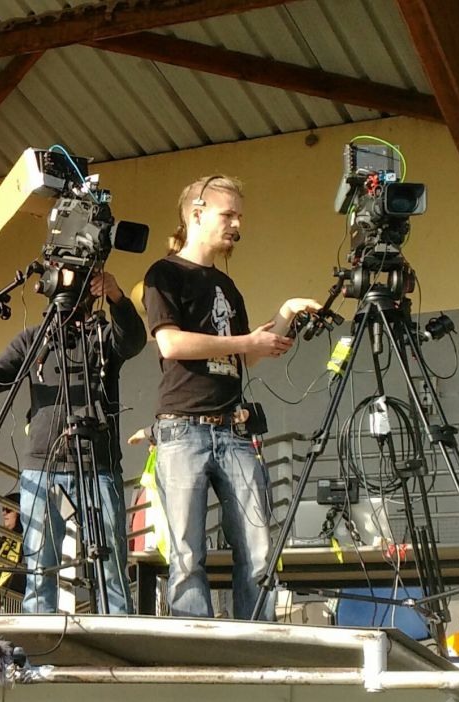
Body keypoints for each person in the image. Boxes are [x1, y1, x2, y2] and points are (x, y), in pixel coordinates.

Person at [142, 174, 318, 620]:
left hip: (234, 431)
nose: (237, 224)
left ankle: (257, 641)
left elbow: (246, 356)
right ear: (196, 214)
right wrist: (246, 342)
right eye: (229, 214)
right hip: (182, 429)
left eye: (239, 215)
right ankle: (195, 647)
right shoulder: (164, 273)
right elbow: (171, 344)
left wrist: (286, 313)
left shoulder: (227, 285)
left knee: (259, 552)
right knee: (186, 556)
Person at [0, 270, 145, 614]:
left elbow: (133, 341)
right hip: (42, 466)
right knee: (40, 568)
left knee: (110, 565)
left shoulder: (101, 335)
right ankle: (41, 636)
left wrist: (116, 297)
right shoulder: (34, 338)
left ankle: (116, 633)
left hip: (97, 463)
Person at [0, 493, 25, 599]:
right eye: (3, 509)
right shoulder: (4, 540)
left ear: (20, 512)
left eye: (8, 509)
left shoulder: (27, 539)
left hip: (13, 599)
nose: (4, 513)